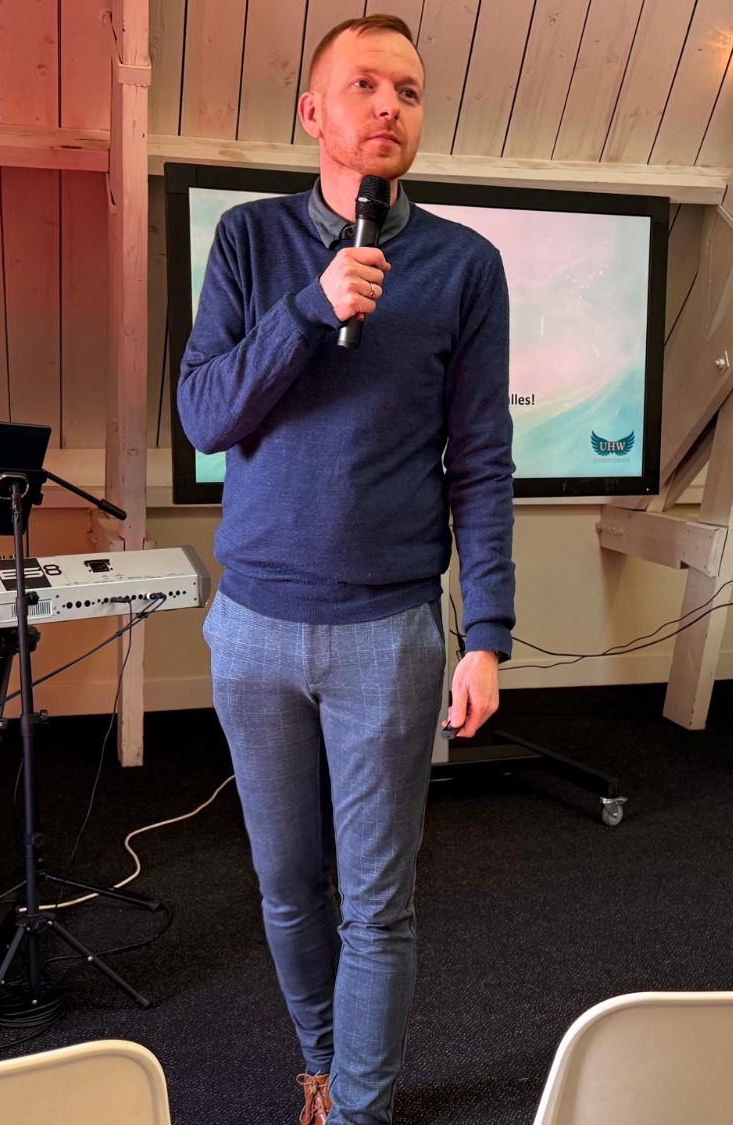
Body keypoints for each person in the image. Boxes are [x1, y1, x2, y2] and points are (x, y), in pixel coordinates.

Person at [175, 14, 515, 1125]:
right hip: (253, 627)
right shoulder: (249, 241)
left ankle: (360, 1111)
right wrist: (311, 309)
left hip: (388, 633)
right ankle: (321, 1064)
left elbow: (481, 461)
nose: (388, 107)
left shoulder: (465, 266)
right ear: (312, 112)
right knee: (285, 888)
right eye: (364, 85)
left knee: (377, 902)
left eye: (407, 91)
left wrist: (484, 635)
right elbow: (205, 413)